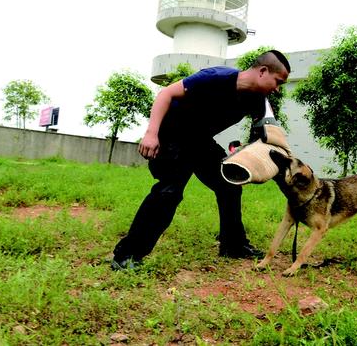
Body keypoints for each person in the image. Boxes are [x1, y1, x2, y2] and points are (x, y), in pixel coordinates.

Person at [111, 50, 291, 270]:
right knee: (169, 191)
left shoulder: (258, 99)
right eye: (278, 81)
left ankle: (233, 246)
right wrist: (151, 133)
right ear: (263, 71)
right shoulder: (216, 77)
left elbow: (267, 132)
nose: (277, 88)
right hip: (172, 137)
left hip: (200, 142)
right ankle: (126, 255)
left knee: (229, 185)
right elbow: (166, 94)